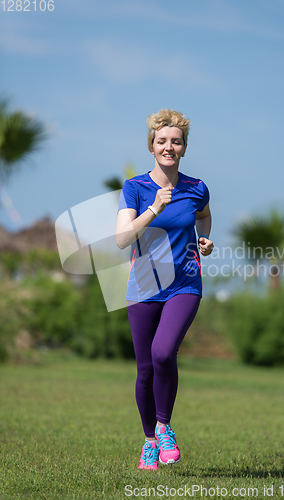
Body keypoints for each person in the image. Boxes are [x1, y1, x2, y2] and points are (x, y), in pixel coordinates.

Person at [116, 109, 213, 470]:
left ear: (184, 148)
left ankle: (165, 427)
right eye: (162, 141)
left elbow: (203, 214)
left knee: (162, 353)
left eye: (176, 141)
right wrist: (155, 207)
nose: (168, 146)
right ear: (152, 147)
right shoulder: (136, 188)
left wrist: (205, 237)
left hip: (185, 283)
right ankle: (149, 442)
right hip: (143, 286)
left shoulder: (197, 187)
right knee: (144, 369)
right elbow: (123, 239)